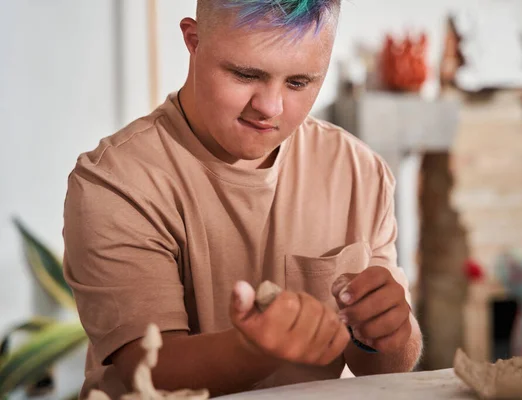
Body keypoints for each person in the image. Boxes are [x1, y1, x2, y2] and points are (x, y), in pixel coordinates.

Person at [63, 0, 423, 398]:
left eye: (299, 82)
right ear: (193, 40)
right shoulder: (117, 182)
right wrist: (255, 347)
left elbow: (386, 365)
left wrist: (386, 332)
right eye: (245, 74)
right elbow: (147, 371)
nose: (270, 107)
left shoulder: (359, 170)